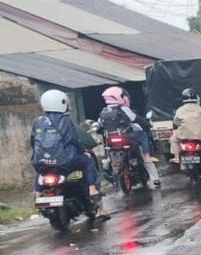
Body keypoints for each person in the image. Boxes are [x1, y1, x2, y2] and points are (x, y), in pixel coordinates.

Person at [30, 90, 109, 219]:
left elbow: (33, 141)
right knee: (88, 161)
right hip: (66, 160)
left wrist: (39, 156)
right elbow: (73, 139)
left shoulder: (38, 121)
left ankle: (38, 192)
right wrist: (83, 152)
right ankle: (92, 188)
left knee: (41, 169)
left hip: (41, 160)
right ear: (61, 103)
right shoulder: (64, 120)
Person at [99, 86, 162, 187]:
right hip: (127, 137)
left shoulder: (104, 110)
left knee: (107, 146)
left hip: (111, 140)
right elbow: (136, 119)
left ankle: (107, 161)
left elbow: (100, 126)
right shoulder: (124, 109)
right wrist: (147, 126)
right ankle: (154, 175)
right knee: (143, 136)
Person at [169, 89, 201, 163]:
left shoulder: (180, 110)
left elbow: (176, 122)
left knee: (173, 139)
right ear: (196, 98)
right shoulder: (200, 109)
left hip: (184, 135)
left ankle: (176, 158)